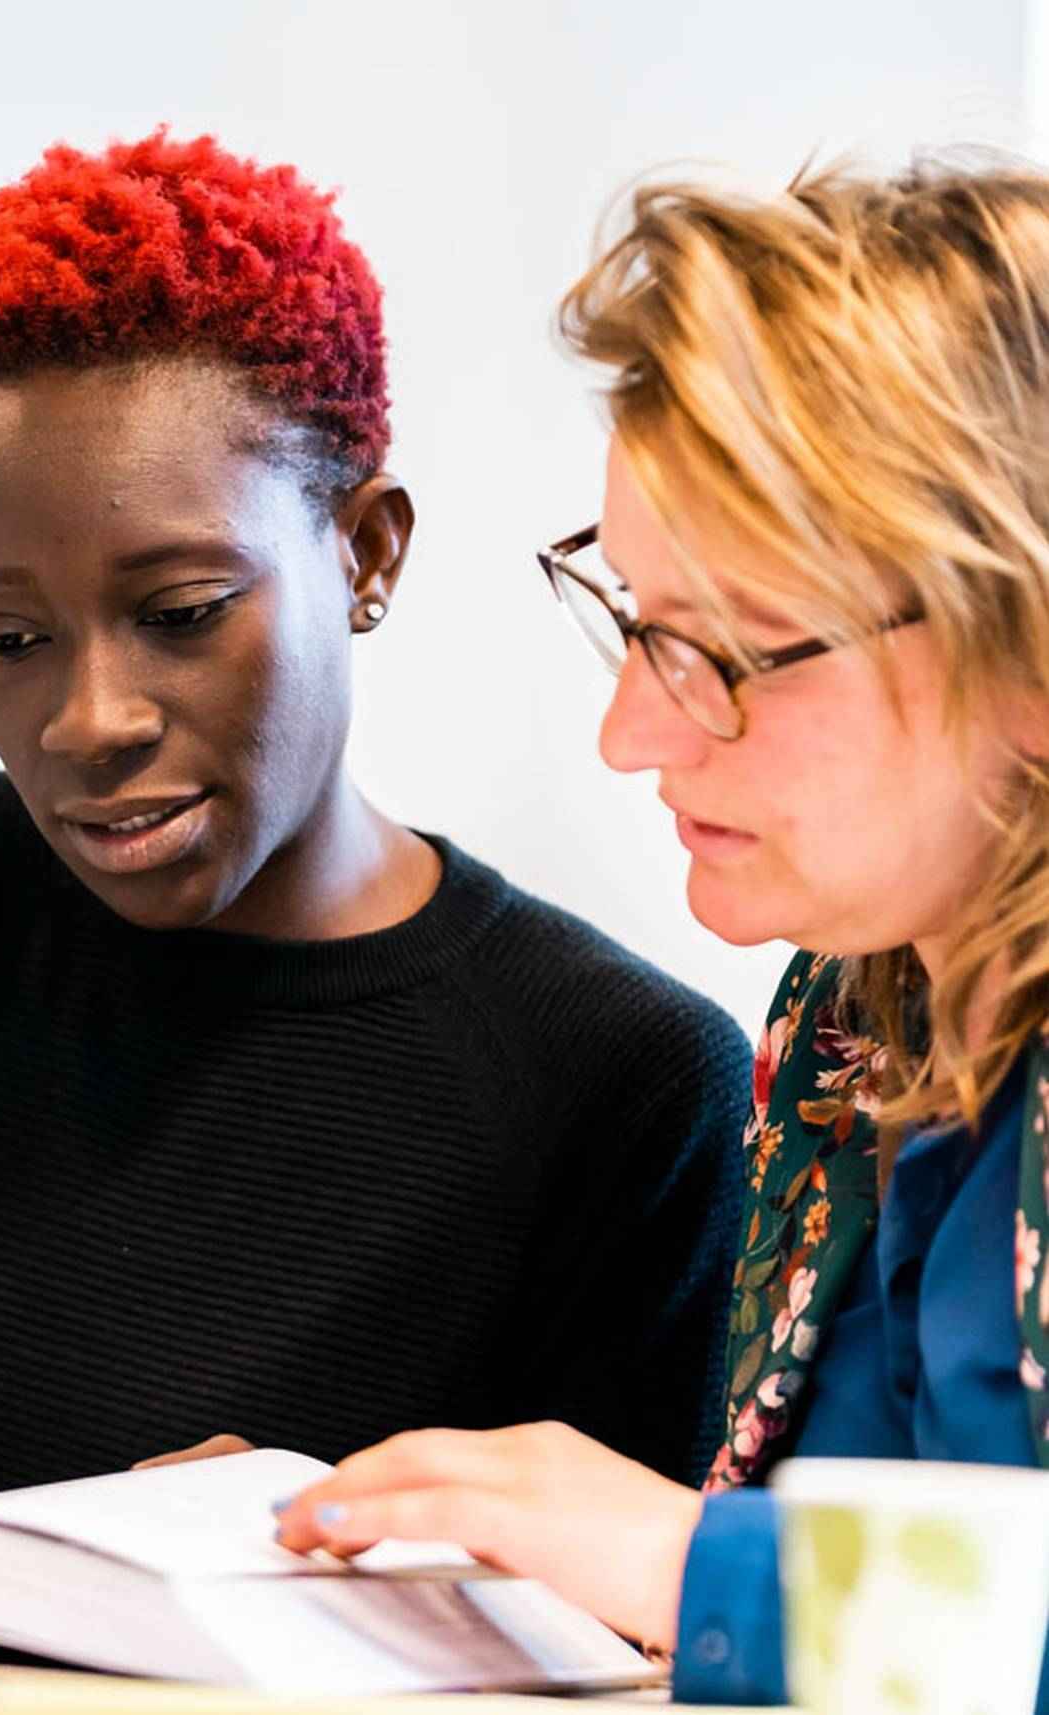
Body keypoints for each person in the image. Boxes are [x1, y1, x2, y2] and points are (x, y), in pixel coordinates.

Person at [0, 131, 750, 1530]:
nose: (87, 718)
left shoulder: (623, 1084)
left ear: (366, 553)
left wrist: (336, 1577)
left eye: (180, 614)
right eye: (9, 635)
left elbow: (641, 1621)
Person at [275, 159, 1049, 1708]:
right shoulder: (844, 1016)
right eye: (631, 615)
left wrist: (692, 1567)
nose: (631, 733)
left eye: (718, 650)